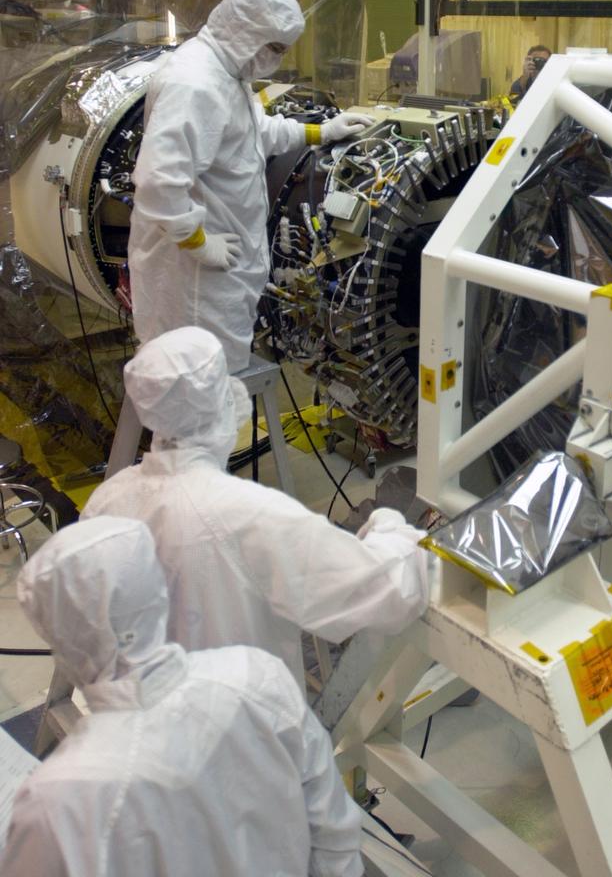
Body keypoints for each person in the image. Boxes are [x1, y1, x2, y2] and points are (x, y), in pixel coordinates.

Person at [3, 516, 363, 877]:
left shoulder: (57, 805)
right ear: (159, 593)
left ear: (60, 642)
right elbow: (334, 831)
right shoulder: (259, 677)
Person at [82, 327, 430, 692]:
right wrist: (390, 527)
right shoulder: (250, 516)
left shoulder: (106, 500)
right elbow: (382, 590)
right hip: (240, 732)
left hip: (139, 720)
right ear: (223, 403)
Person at [129, 0, 372, 372]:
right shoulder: (195, 84)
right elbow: (159, 183)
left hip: (222, 275)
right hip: (194, 283)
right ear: (246, 32)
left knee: (217, 393)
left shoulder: (227, 73)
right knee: (196, 400)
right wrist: (197, 242)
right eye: (274, 48)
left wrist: (321, 132)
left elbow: (255, 133)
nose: (277, 59)